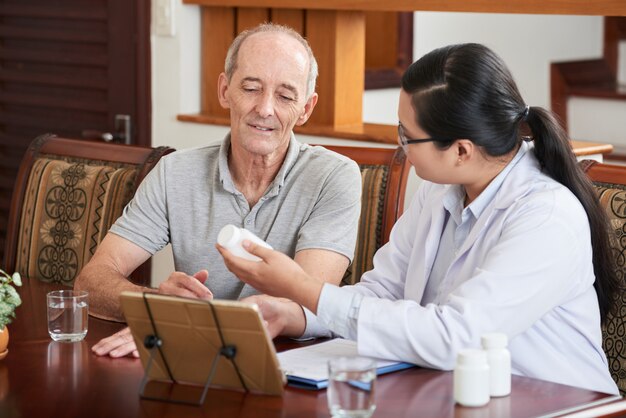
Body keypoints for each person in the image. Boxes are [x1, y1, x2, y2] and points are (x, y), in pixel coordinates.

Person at [218, 43, 620, 395]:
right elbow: (383, 292)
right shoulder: (441, 188)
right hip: (455, 395)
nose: (402, 144)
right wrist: (298, 314)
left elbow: (456, 337)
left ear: (461, 150)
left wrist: (304, 287)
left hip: (560, 404)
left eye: (407, 136)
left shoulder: (546, 215)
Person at [74, 23, 361, 357]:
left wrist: (185, 321)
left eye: (285, 96)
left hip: (287, 368)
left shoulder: (334, 176)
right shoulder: (174, 172)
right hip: (188, 362)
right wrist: (158, 305)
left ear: (306, 109)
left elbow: (307, 301)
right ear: (225, 91)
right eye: (251, 88)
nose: (265, 108)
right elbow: (91, 282)